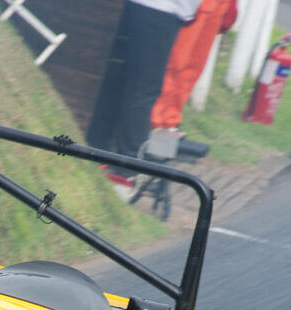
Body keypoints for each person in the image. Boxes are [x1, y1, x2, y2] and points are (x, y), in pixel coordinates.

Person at [86, 0, 203, 177]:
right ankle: (128, 166)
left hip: (138, 7)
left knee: (120, 79)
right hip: (163, 10)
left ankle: (100, 148)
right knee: (144, 88)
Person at [151, 0, 238, 131]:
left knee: (194, 67)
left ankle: (170, 120)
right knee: (176, 62)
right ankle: (155, 120)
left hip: (219, 5)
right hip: (195, 5)